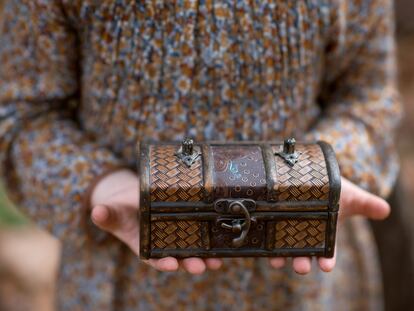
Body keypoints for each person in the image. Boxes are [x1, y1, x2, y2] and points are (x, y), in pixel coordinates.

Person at [0, 0, 402, 310]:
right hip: (124, 271)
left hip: (305, 274)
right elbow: (22, 111)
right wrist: (99, 183)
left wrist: (326, 176)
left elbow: (369, 97)